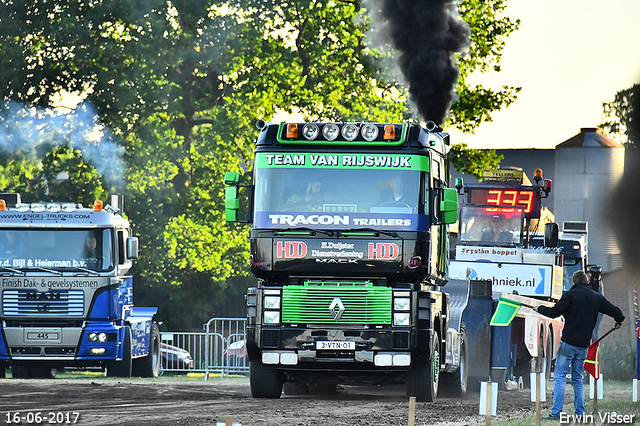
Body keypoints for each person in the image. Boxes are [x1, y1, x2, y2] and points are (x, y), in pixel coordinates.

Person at [537, 270, 624, 420]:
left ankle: (556, 413)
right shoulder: (596, 297)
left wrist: (539, 309)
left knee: (560, 376)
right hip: (583, 346)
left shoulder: (570, 295)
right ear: (587, 282)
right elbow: (615, 311)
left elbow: (554, 313)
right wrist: (619, 319)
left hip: (568, 344)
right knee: (577, 379)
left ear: (574, 282)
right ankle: (580, 413)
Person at [586, 264, 605, 342]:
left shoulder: (596, 283)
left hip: (597, 309)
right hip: (594, 308)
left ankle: (594, 351)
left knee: (593, 330)